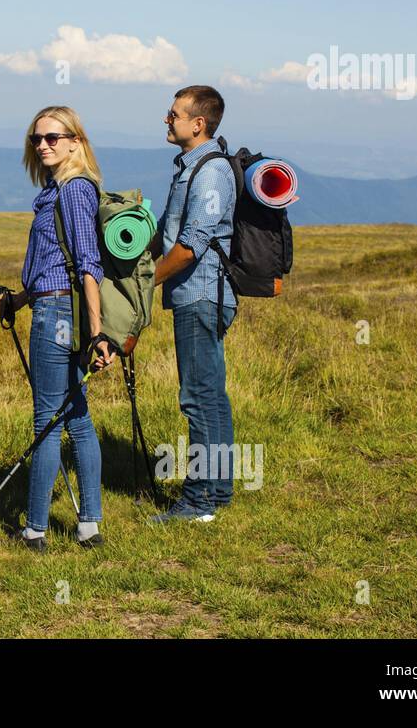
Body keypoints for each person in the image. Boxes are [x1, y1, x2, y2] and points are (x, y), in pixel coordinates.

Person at [0, 106, 115, 552]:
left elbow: (87, 266)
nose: (43, 144)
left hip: (58, 318)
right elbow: (55, 268)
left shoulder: (73, 191)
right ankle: (89, 527)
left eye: (53, 137)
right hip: (52, 307)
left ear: (76, 141)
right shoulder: (57, 191)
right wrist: (19, 299)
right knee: (76, 417)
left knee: (47, 420)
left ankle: (35, 530)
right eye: (36, 139)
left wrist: (97, 333)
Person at [148, 85, 237, 523]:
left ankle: (199, 502)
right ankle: (217, 494)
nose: (167, 119)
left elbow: (190, 245)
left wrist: (147, 284)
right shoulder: (190, 168)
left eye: (173, 114)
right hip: (196, 294)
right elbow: (165, 232)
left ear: (197, 123)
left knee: (198, 399)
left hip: (201, 295)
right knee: (212, 398)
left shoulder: (211, 171)